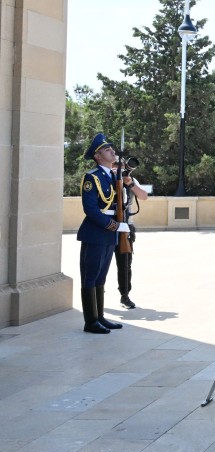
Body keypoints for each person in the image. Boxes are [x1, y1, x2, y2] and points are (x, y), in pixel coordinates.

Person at [76, 133, 132, 334]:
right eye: (107, 150)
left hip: (110, 234)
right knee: (90, 278)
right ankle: (90, 321)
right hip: (95, 233)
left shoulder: (114, 176)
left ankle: (99, 317)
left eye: (111, 149)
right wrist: (114, 226)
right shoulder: (92, 177)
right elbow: (90, 209)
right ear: (98, 156)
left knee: (101, 277)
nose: (112, 151)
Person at [114, 169, 149, 309]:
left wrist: (130, 183)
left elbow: (144, 196)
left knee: (125, 265)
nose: (119, 169)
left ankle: (125, 295)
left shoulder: (130, 180)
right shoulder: (103, 178)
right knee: (100, 264)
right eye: (116, 165)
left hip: (126, 227)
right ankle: (98, 293)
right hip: (106, 227)